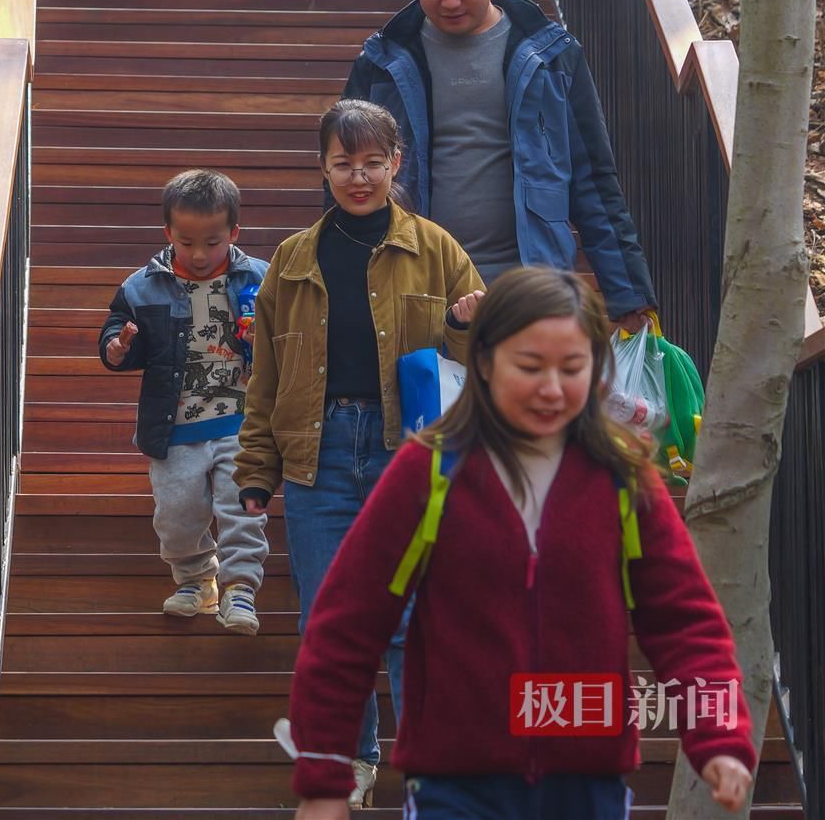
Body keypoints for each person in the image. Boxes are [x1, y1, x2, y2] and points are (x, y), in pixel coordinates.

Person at [280, 267, 755, 819]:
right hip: (455, 786)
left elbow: (685, 621)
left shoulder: (623, 479)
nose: (551, 389)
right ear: (484, 363)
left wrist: (720, 739)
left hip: (588, 786)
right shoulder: (429, 471)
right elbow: (347, 623)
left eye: (572, 368)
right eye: (529, 367)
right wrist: (323, 778)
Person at [235, 100, 485, 807]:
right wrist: (256, 471)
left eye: (372, 162)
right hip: (316, 460)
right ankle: (351, 762)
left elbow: (481, 363)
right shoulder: (290, 259)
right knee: (328, 620)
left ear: (396, 163)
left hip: (405, 452)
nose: (359, 176)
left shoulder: (437, 249)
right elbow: (267, 378)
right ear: (322, 167)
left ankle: (430, 767)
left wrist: (468, 325)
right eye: (343, 163)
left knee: (411, 619)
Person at [344, 0, 656, 330]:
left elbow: (593, 179)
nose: (449, 1)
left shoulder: (551, 56)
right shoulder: (382, 62)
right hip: (415, 288)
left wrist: (628, 295)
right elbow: (348, 178)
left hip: (530, 287)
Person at [99, 169, 268, 633]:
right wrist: (118, 347)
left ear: (233, 233)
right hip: (173, 428)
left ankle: (240, 589)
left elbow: (291, 335)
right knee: (176, 515)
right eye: (186, 241)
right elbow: (118, 333)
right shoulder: (142, 287)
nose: (197, 253)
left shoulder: (260, 278)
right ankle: (196, 581)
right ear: (167, 232)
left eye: (211, 242)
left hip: (240, 422)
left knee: (242, 510)